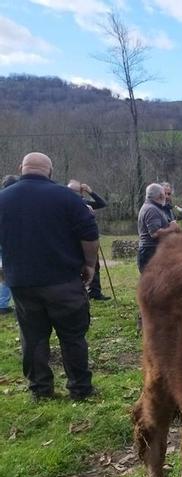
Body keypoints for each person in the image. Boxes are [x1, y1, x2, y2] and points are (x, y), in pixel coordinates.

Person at [0, 152, 98, 401]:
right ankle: (80, 389)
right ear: (50, 172)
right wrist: (89, 264)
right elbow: (89, 234)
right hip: (63, 281)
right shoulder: (67, 197)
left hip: (22, 283)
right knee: (72, 336)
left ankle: (40, 390)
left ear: (21, 168)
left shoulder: (3, 199)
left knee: (32, 338)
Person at [68, 180, 110, 301]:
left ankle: (95, 291)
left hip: (87, 239)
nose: (76, 194)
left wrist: (91, 192)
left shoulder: (85, 202)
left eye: (78, 191)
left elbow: (102, 203)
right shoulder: (65, 203)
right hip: (73, 241)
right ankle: (77, 292)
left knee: (94, 265)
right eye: (73, 191)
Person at [137, 183, 180, 273]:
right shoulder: (151, 209)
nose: (166, 197)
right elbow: (155, 233)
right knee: (153, 284)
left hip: (153, 251)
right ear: (161, 195)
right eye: (165, 194)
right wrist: (172, 228)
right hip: (150, 251)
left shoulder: (153, 207)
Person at [0, 175, 18, 315]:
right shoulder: (14, 202)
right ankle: (3, 303)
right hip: (9, 242)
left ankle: (3, 302)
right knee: (9, 272)